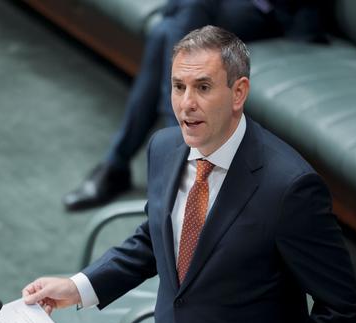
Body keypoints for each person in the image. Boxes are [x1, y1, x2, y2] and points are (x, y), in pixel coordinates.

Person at [25, 25, 356, 323]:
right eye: (178, 87)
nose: (186, 104)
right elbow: (157, 237)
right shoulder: (164, 147)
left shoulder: (290, 188)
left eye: (203, 87)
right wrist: (79, 287)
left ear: (238, 92)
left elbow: (340, 307)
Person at [63, 0, 328, 210]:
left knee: (176, 22)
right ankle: (179, 147)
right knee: (167, 30)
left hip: (272, 11)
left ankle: (123, 161)